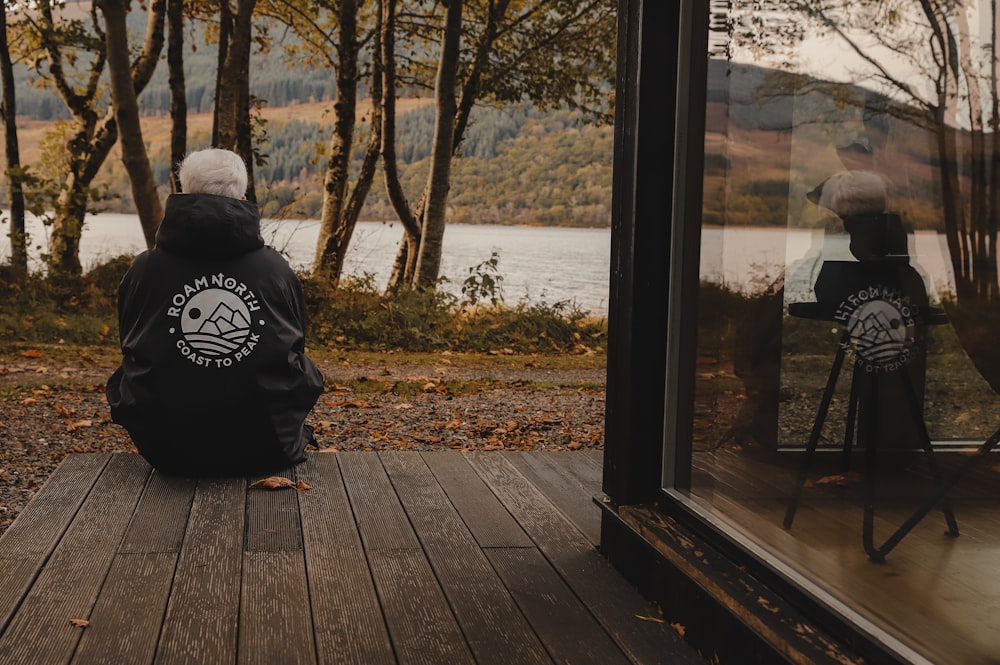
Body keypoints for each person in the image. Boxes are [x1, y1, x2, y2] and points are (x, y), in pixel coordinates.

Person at [106, 148, 324, 476]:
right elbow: (295, 349)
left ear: (182, 193)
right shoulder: (274, 269)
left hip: (166, 450)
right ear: (243, 196)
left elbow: (131, 346)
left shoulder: (144, 270)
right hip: (267, 447)